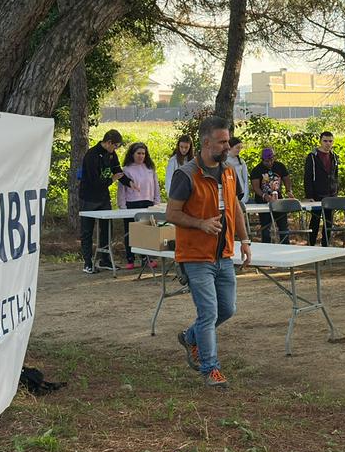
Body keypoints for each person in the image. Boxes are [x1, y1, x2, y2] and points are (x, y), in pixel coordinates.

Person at [166, 115, 251, 388]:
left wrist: (244, 240)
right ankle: (210, 368)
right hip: (195, 257)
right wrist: (200, 223)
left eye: (227, 141)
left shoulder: (229, 171)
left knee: (227, 309)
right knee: (209, 313)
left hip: (223, 254)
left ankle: (190, 337)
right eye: (222, 142)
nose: (227, 146)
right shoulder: (186, 174)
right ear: (206, 142)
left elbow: (235, 207)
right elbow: (171, 213)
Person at [78, 129, 125, 274]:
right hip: (89, 197)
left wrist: (130, 183)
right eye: (115, 146)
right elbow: (94, 181)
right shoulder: (91, 155)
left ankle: (105, 259)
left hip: (103, 197)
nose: (115, 149)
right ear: (109, 142)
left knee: (106, 228)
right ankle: (87, 262)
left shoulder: (112, 155)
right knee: (87, 230)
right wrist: (111, 180)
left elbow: (118, 171)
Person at [117, 141, 160, 267]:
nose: (141, 156)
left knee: (147, 231)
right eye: (138, 153)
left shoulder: (150, 169)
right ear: (132, 154)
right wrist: (122, 206)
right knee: (130, 232)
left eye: (143, 153)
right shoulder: (126, 169)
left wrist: (156, 202)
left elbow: (156, 187)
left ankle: (146, 258)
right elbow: (122, 189)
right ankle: (130, 259)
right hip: (131, 203)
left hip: (148, 203)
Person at [303, 131, 341, 246]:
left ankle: (326, 246)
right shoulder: (312, 157)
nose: (328, 143)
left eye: (330, 141)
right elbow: (308, 177)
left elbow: (335, 176)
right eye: (325, 141)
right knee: (315, 221)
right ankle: (311, 246)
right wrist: (309, 195)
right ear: (320, 141)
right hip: (316, 195)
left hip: (331, 195)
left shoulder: (334, 157)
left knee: (328, 222)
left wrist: (335, 192)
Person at [249, 147, 292, 243]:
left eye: (272, 159)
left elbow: (286, 179)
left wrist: (288, 191)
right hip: (263, 202)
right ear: (262, 160)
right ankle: (266, 247)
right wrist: (265, 196)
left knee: (283, 227)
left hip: (278, 201)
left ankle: (286, 246)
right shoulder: (257, 170)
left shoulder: (280, 166)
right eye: (267, 161)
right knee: (266, 228)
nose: (270, 162)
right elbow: (256, 187)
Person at [226, 135, 249, 203]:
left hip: (241, 192)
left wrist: (245, 195)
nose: (239, 150)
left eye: (240, 148)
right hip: (228, 192)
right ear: (230, 147)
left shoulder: (241, 161)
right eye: (237, 147)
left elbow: (246, 180)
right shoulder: (223, 161)